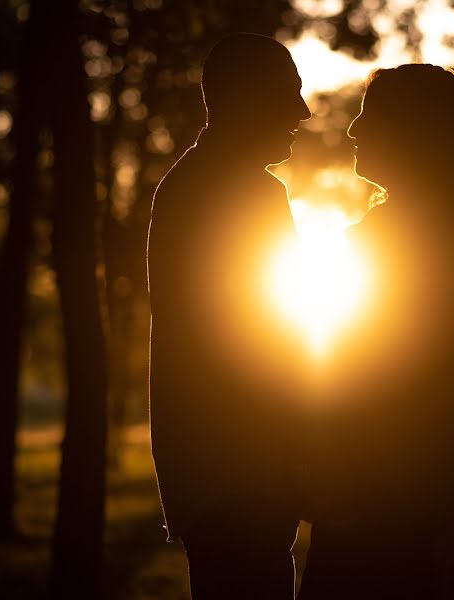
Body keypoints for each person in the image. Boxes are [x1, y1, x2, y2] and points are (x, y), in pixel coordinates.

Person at [299, 64, 454, 599]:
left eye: (371, 118)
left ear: (409, 131)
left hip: (386, 492)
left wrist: (330, 459)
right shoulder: (436, 228)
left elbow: (372, 372)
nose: (354, 131)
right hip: (395, 488)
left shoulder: (414, 238)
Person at [147, 33, 311, 599]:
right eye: (289, 94)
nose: (303, 112)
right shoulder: (243, 191)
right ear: (244, 98)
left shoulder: (190, 185)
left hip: (218, 473)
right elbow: (268, 339)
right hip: (243, 471)